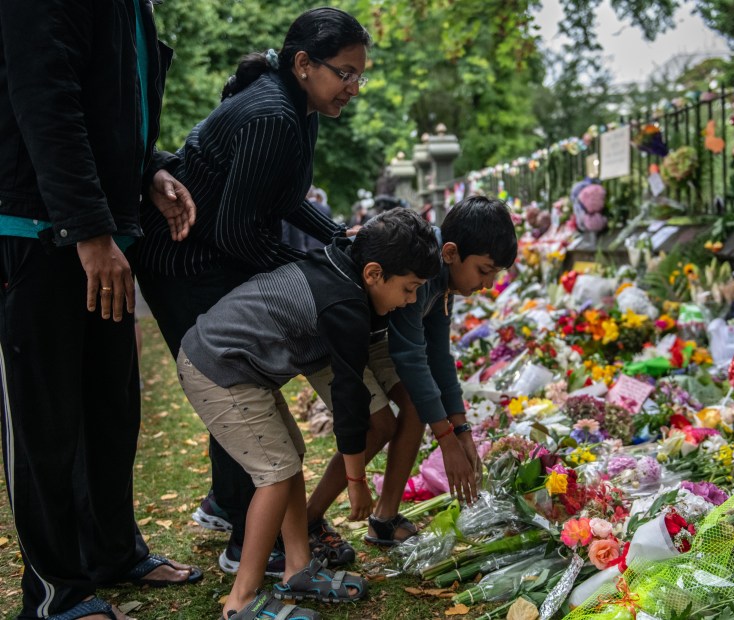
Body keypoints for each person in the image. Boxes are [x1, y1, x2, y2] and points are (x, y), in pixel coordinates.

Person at [133, 6, 371, 576]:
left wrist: (338, 240)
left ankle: (226, 504)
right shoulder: (273, 115)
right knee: (237, 384)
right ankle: (248, 540)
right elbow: (238, 232)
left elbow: (284, 198)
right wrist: (319, 273)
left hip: (214, 254)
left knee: (243, 384)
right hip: (182, 260)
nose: (354, 88)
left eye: (360, 74)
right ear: (304, 63)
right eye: (345, 73)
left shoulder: (300, 107)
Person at [0, 2, 202, 619]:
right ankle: (55, 589)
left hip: (103, 231)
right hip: (38, 228)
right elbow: (45, 98)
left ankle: (113, 554)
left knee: (110, 408)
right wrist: (87, 229)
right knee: (46, 419)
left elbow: (115, 106)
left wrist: (152, 170)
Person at [177, 209, 441, 620]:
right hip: (220, 366)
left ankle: (298, 568)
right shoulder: (346, 304)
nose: (410, 301)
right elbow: (349, 397)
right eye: (409, 289)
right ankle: (241, 600)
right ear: (373, 273)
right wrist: (356, 482)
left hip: (239, 367)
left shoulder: (343, 265)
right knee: (276, 473)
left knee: (288, 459)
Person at [302, 196, 517, 557]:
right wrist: (446, 439)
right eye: (484, 270)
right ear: (450, 252)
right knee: (379, 424)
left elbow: (437, 356)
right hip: (330, 337)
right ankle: (306, 520)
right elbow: (410, 356)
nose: (488, 284)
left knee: (418, 405)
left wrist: (460, 429)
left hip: (371, 336)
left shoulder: (441, 275)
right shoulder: (419, 268)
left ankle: (384, 519)